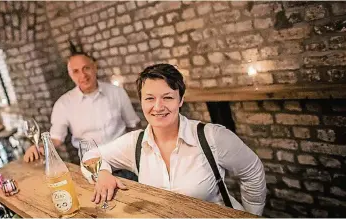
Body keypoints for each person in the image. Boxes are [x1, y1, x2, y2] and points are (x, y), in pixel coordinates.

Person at [83, 64, 267, 215]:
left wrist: (251, 214)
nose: (158, 106)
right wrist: (103, 174)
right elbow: (90, 156)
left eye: (168, 97)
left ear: (180, 100)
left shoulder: (211, 136)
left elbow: (253, 171)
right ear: (141, 101)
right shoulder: (135, 143)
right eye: (149, 98)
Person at [23, 53, 140, 165]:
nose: (83, 75)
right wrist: (40, 147)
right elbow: (56, 138)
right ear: (70, 74)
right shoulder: (63, 104)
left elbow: (133, 125)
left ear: (95, 67)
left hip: (124, 160)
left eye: (86, 68)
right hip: (93, 165)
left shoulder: (117, 92)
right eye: (76, 71)